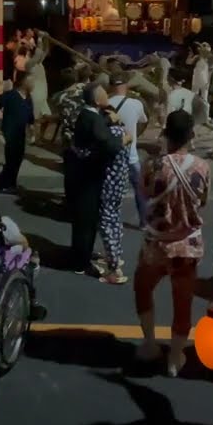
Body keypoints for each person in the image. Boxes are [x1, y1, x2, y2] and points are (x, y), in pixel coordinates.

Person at [134, 110, 209, 376]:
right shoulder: (201, 167)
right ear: (191, 135)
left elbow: (143, 193)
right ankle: (175, 357)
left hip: (157, 243)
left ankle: (150, 344)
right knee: (183, 300)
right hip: (186, 245)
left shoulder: (152, 165)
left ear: (166, 133)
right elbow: (203, 200)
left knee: (143, 288)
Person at [67, 82, 131, 282]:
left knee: (85, 220)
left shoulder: (89, 115)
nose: (107, 95)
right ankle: (81, 262)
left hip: (83, 175)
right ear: (96, 99)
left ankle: (81, 256)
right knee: (86, 221)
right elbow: (109, 145)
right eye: (104, 93)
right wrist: (125, 139)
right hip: (87, 178)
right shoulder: (93, 118)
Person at [108, 75, 149, 226]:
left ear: (111, 87)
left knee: (112, 189)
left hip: (113, 154)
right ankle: (144, 222)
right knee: (140, 190)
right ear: (125, 86)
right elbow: (143, 120)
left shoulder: (106, 105)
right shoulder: (136, 103)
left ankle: (110, 220)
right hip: (131, 155)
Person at [0, 73, 34, 193]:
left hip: (20, 134)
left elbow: (30, 118)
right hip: (10, 133)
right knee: (11, 159)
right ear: (23, 82)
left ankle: (11, 182)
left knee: (18, 159)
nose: (33, 84)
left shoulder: (28, 98)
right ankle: (5, 184)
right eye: (31, 81)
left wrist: (32, 133)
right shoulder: (10, 95)